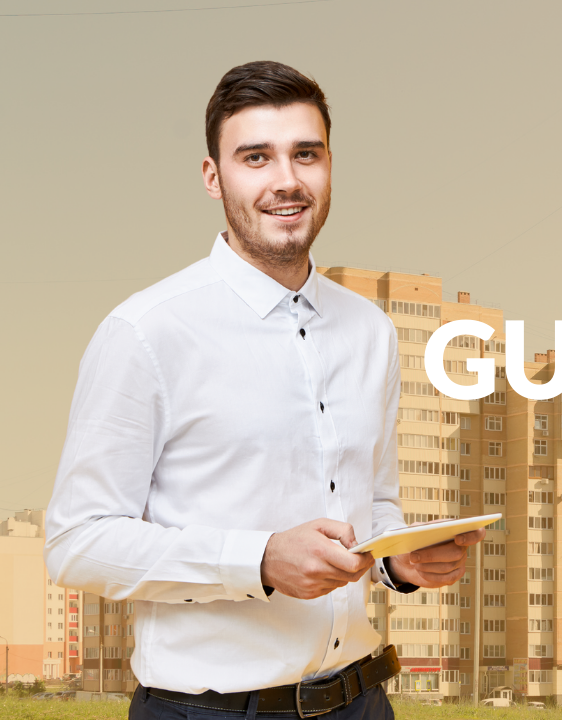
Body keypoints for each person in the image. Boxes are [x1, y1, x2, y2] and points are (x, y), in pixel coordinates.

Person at [43, 60, 481, 720]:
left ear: (330, 166)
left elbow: (374, 501)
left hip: (362, 702)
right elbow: (76, 544)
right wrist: (260, 560)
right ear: (213, 178)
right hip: (210, 712)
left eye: (307, 154)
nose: (287, 180)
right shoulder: (146, 331)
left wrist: (399, 561)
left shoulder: (371, 330)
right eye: (256, 157)